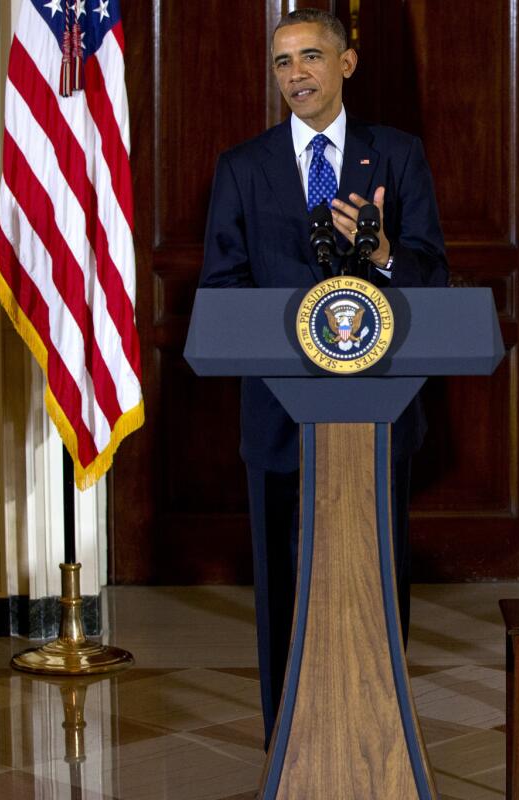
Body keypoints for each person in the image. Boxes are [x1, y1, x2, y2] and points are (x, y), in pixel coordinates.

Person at [198, 8, 448, 748]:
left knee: (378, 566)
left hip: (380, 406)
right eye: (282, 62)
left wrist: (377, 256)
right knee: (280, 576)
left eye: (310, 57)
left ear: (348, 63)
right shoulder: (243, 166)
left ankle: (378, 730)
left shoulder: (395, 156)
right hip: (276, 408)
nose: (296, 74)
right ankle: (286, 739)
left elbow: (432, 272)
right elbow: (223, 284)